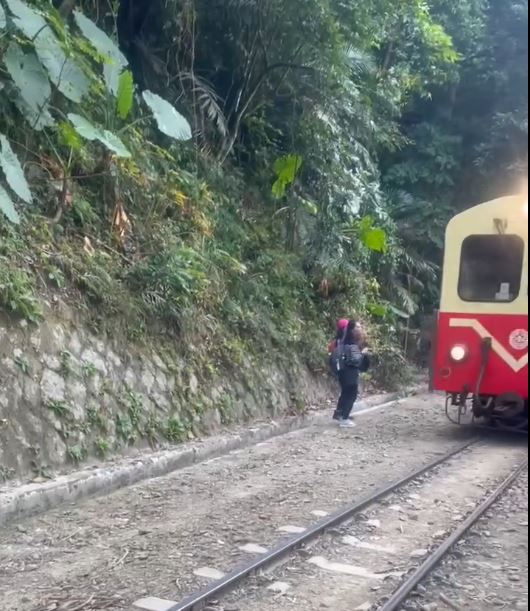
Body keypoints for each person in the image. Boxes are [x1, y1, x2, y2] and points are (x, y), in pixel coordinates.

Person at [332, 320, 370, 428]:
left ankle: (339, 414)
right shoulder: (351, 343)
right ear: (351, 330)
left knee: (345, 393)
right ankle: (344, 418)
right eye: (357, 327)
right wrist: (363, 353)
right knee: (351, 394)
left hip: (342, 372)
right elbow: (354, 360)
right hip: (349, 373)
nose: (360, 329)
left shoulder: (343, 341)